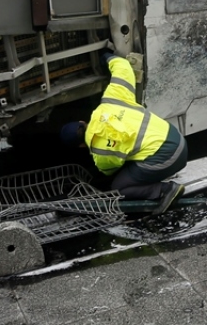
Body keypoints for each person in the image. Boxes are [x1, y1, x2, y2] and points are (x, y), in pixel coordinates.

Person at [61, 51, 187, 214]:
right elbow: (123, 68)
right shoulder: (110, 100)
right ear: (82, 122)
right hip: (178, 139)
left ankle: (165, 190)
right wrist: (107, 57)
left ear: (80, 146)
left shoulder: (100, 156)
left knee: (119, 187)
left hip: (168, 159)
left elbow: (115, 170)